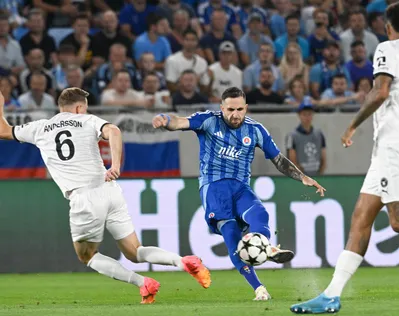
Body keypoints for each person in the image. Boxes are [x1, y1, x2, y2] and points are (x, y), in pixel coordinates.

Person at [290, 1, 399, 315]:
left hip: (393, 143)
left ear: (387, 26)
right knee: (361, 217)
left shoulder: (386, 49)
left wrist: (352, 124)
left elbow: (381, 92)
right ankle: (331, 295)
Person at [0, 87, 211, 304]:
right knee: (135, 251)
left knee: (87, 255)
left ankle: (143, 283)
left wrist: (1, 102)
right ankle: (182, 261)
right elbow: (115, 131)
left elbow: (3, 130)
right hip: (110, 189)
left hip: (84, 198)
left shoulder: (39, 127)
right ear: (80, 107)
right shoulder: (87, 120)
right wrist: (115, 165)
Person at [152, 87, 325, 300]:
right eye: (230, 109)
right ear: (222, 108)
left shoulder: (255, 130)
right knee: (232, 235)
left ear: (246, 108)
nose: (235, 114)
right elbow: (179, 122)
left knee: (260, 213)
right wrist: (164, 119)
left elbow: (278, 159)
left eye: (240, 109)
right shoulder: (208, 120)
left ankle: (266, 247)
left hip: (241, 187)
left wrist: (302, 177)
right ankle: (259, 289)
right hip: (214, 189)